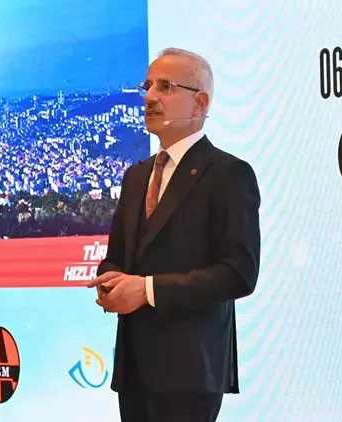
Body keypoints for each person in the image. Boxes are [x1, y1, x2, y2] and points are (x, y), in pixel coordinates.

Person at [88, 47, 260, 422]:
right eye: (147, 86)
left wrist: (146, 290)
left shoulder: (228, 174)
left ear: (200, 103)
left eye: (165, 86)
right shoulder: (136, 177)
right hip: (134, 369)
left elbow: (239, 273)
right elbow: (117, 258)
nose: (149, 97)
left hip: (190, 371)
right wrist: (111, 281)